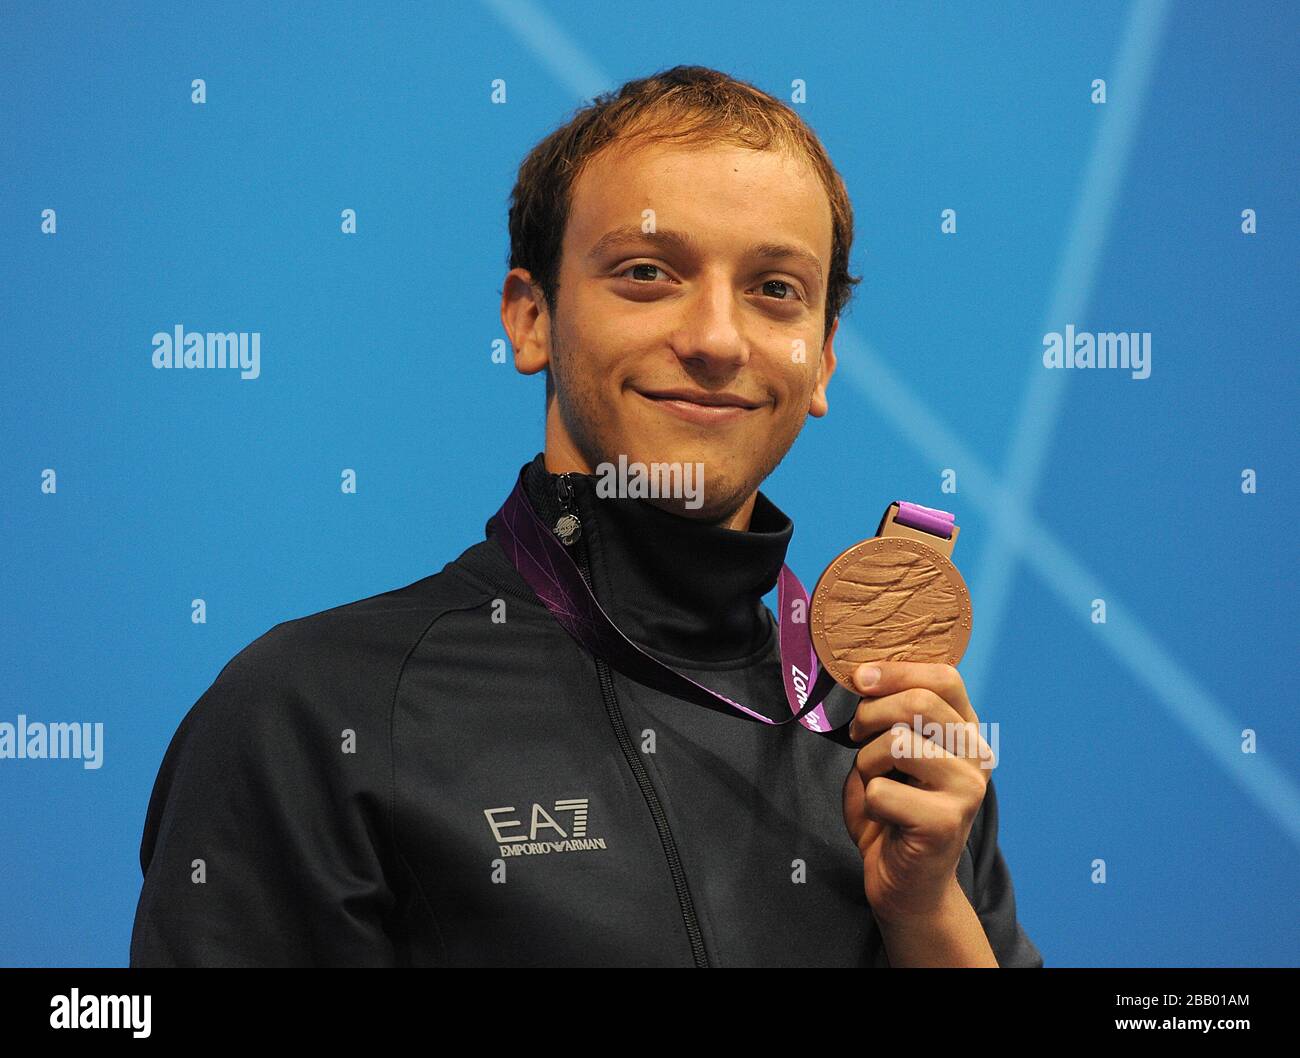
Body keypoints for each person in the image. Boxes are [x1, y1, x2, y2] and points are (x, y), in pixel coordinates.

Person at [130, 65, 1042, 968]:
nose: (718, 340)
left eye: (775, 289)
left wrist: (926, 915)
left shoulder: (894, 731)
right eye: (648, 273)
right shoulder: (317, 711)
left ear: (824, 361)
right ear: (531, 319)